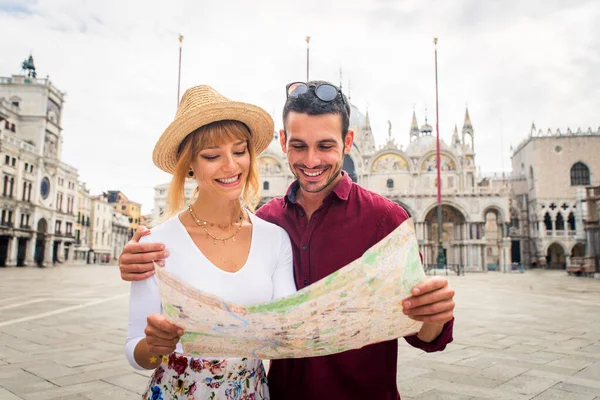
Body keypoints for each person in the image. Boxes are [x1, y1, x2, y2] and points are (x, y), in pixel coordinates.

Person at [121, 81, 456, 400]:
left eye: (325, 145)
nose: (311, 161)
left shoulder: (386, 220)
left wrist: (432, 314)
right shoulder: (270, 221)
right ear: (282, 143)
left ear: (349, 141)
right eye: (298, 146)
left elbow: (425, 334)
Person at [125, 85, 297, 400]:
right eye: (212, 156)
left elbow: (287, 329)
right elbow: (136, 350)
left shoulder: (275, 239)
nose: (231, 166)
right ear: (189, 165)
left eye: (239, 150)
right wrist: (154, 346)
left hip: (252, 390)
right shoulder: (157, 243)